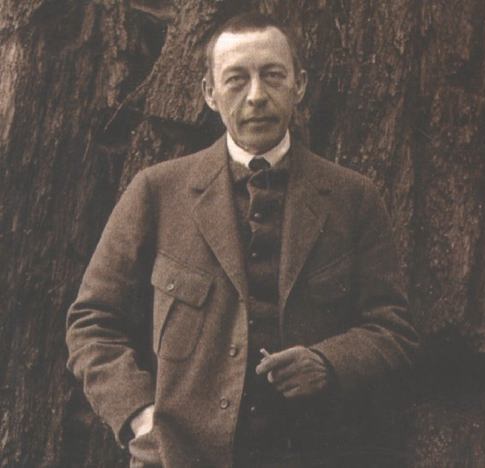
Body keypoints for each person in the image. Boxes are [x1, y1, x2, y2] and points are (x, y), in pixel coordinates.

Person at [66, 12, 419, 468]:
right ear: (209, 93)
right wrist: (141, 417)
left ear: (299, 85)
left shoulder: (353, 198)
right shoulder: (157, 192)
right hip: (177, 458)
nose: (256, 96)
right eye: (236, 79)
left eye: (272, 75)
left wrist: (328, 362)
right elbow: (91, 322)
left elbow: (392, 329)